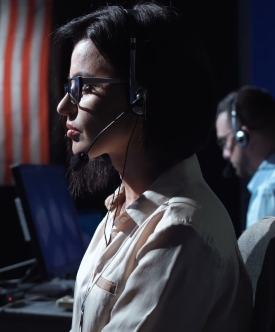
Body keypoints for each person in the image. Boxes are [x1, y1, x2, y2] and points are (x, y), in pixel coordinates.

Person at [54, 2, 252, 331]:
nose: (64, 106)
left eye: (84, 87)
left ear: (142, 96)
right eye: (67, 89)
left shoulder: (179, 231)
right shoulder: (123, 206)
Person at [216, 85, 275, 230]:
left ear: (243, 137)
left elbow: (257, 254)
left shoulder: (269, 193)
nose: (225, 154)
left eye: (224, 142)